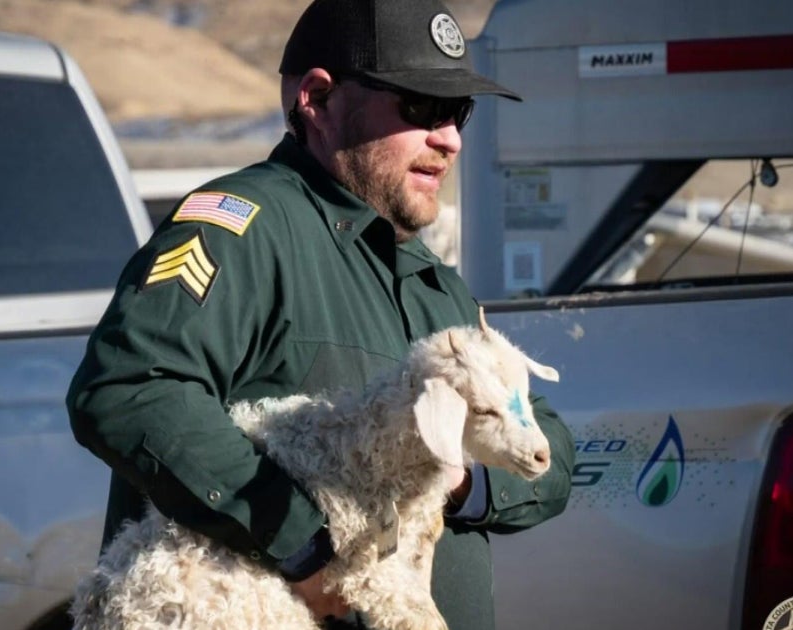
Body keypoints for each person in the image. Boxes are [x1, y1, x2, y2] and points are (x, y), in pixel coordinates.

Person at [66, 0, 574, 627]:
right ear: (318, 98)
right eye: (419, 107)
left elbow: (553, 457)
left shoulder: (436, 285)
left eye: (457, 112)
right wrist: (308, 547)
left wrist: (461, 476)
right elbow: (130, 388)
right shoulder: (241, 227)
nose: (450, 138)